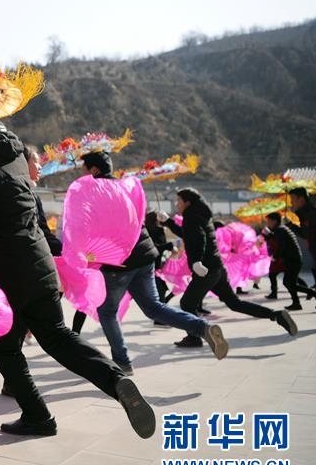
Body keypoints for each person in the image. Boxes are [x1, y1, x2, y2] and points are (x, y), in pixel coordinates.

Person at [0, 89, 155, 440]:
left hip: (4, 267)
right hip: (38, 260)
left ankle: (38, 416)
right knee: (57, 336)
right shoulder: (15, 149)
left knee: (3, 344)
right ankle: (115, 379)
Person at [69, 152, 229, 373]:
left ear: (94, 170)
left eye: (84, 170)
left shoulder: (95, 193)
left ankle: (122, 362)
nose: (83, 175)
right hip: (145, 256)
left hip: (119, 263)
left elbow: (89, 227)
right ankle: (202, 327)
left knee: (107, 312)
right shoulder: (125, 187)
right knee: (154, 308)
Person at [0, 143, 62, 391]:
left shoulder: (31, 193)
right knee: (16, 324)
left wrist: (61, 251)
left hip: (29, 267)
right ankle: (7, 376)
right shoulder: (9, 191)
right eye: (35, 161)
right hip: (12, 267)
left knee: (16, 325)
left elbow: (41, 231)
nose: (39, 166)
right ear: (22, 163)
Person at [159, 188, 297, 346]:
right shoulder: (200, 215)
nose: (176, 203)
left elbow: (200, 238)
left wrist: (196, 261)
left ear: (187, 202)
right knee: (234, 303)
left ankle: (195, 337)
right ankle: (276, 315)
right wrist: (168, 222)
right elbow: (188, 234)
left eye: (178, 200)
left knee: (187, 303)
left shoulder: (191, 217)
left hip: (205, 269)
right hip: (217, 267)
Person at [264, 212, 316, 310]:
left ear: (274, 221)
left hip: (292, 259)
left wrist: (275, 256)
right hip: (292, 259)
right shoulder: (281, 229)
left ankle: (312, 294)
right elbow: (278, 240)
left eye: (269, 221)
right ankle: (297, 303)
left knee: (288, 282)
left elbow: (282, 246)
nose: (267, 223)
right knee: (289, 283)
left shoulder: (280, 230)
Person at [288, 187, 316, 291]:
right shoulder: (303, 216)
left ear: (301, 200)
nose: (291, 203)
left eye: (293, 200)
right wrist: (291, 225)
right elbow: (306, 235)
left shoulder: (314, 214)